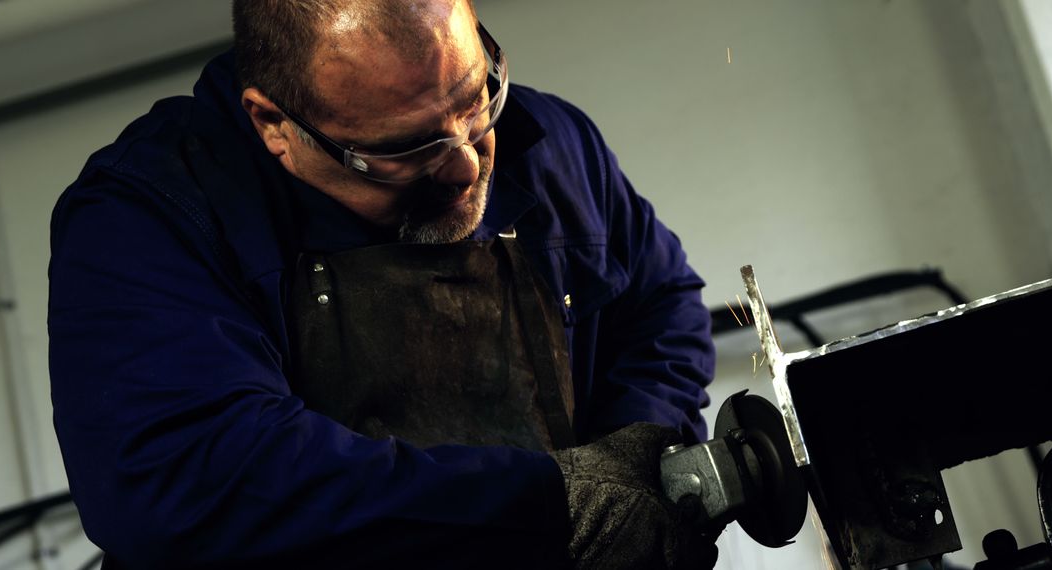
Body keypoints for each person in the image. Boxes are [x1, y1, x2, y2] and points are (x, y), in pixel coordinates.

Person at [48, 0, 717, 568]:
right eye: (404, 149)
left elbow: (660, 309)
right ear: (274, 126)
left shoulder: (548, 146)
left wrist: (634, 467)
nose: (464, 167)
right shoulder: (149, 217)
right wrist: (548, 504)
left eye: (477, 98)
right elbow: (190, 479)